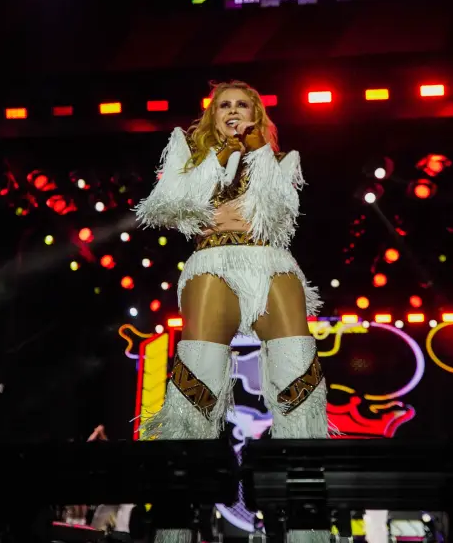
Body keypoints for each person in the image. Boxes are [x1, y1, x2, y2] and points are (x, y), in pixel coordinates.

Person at [135, 81, 329, 543]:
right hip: (212, 261)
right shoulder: (189, 154)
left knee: (298, 381)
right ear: (212, 114)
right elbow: (168, 206)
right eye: (225, 105)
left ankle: (308, 532)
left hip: (268, 262)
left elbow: (277, 212)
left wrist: (256, 152)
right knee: (196, 384)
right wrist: (220, 159)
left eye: (244, 105)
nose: (234, 111)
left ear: (258, 116)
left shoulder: (280, 160)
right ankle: (175, 532)